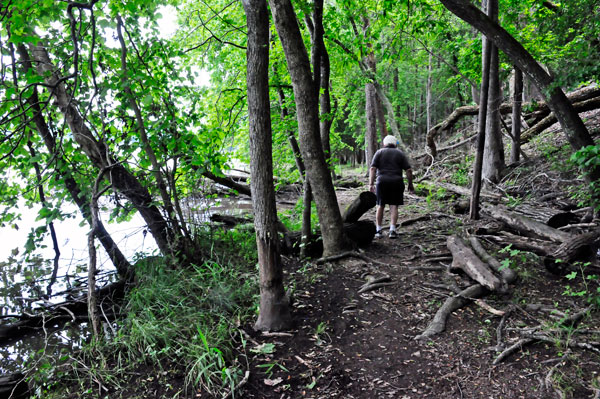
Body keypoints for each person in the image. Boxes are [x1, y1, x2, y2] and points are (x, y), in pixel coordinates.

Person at [368, 135, 414, 239]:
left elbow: (372, 169)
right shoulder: (400, 153)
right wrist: (410, 184)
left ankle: (378, 230)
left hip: (382, 182)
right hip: (396, 182)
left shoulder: (379, 152)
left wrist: (371, 184)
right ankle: (392, 230)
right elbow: (409, 170)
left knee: (380, 205)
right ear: (395, 143)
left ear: (384, 143)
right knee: (394, 206)